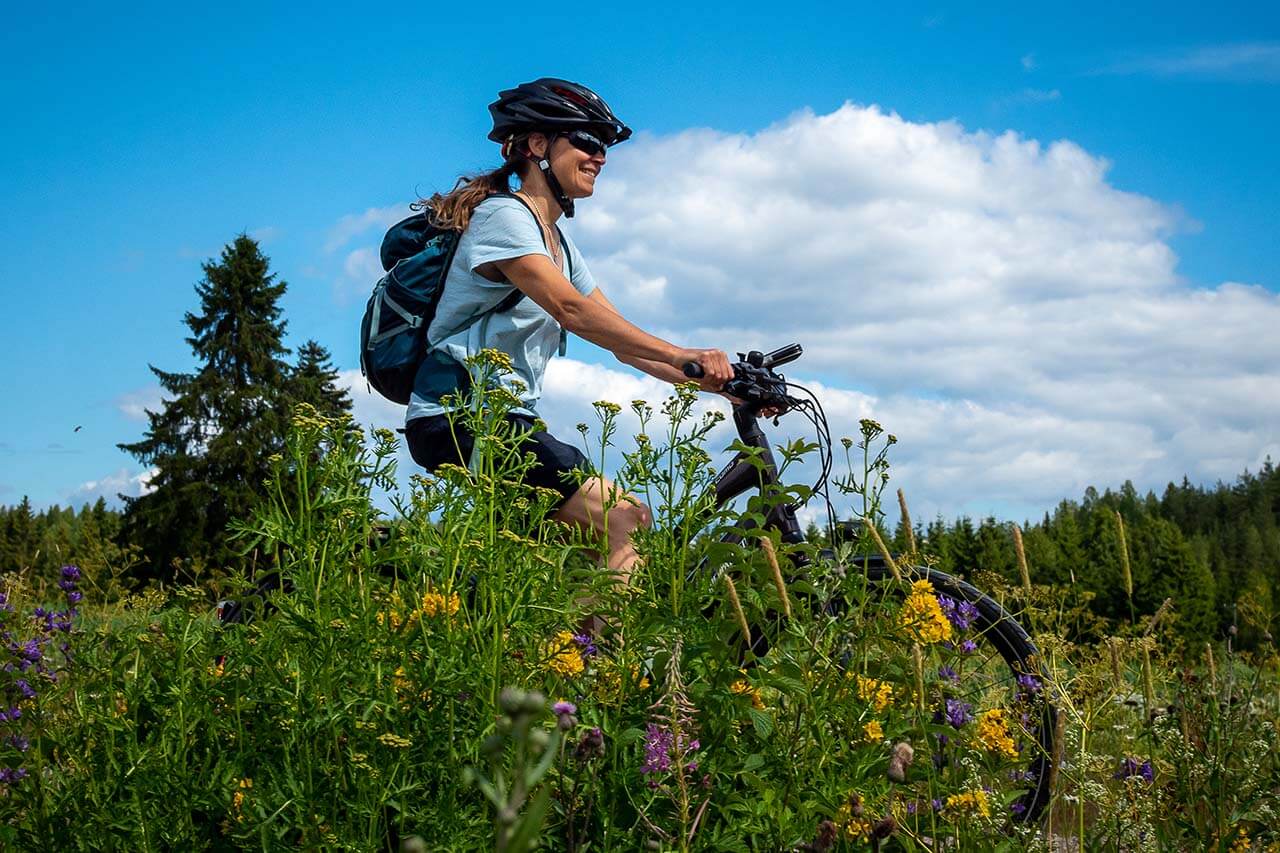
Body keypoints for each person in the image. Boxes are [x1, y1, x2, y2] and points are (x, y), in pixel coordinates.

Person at [404, 77, 733, 584]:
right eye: (587, 141)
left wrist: (721, 385)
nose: (600, 156)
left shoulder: (557, 242)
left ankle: (556, 635)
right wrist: (680, 352)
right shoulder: (503, 217)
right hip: (462, 415)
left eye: (603, 147)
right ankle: (600, 643)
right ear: (538, 145)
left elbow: (621, 343)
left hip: (501, 419)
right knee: (627, 519)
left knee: (572, 566)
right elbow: (572, 311)